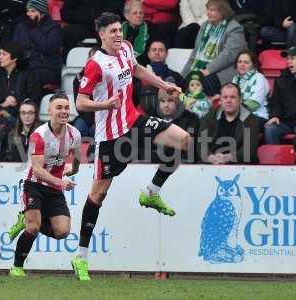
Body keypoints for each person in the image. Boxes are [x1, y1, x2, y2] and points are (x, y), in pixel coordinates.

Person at [70, 12, 190, 281]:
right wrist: (104, 105)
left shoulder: (125, 48)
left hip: (134, 121)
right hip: (111, 138)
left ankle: (152, 191)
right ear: (101, 34)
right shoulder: (95, 65)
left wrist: (163, 85)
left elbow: (136, 69)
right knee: (97, 195)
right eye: (112, 31)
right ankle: (81, 256)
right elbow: (80, 103)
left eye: (119, 30)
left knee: (182, 139)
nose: (118, 35)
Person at [9, 93, 82, 277]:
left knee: (62, 232)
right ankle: (17, 267)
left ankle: (27, 219)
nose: (64, 111)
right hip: (33, 184)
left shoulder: (75, 134)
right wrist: (61, 181)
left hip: (54, 187)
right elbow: (38, 169)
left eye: (66, 107)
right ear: (49, 111)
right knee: (33, 227)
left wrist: (73, 170)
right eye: (59, 107)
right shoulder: (39, 135)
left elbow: (77, 157)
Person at [181, 0, 246, 96]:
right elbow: (195, 54)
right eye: (207, 9)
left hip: (222, 72)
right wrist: (182, 76)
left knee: (199, 83)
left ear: (223, 12)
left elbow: (228, 55)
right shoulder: (205, 26)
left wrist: (208, 70)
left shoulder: (234, 28)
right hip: (200, 70)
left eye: (212, 10)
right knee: (178, 83)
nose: (208, 13)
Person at [197, 83, 259, 164]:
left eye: (232, 97)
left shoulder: (250, 119)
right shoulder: (210, 116)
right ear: (221, 100)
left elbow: (249, 150)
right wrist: (210, 157)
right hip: (213, 163)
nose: (228, 101)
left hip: (240, 164)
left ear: (240, 99)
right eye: (225, 97)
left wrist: (228, 157)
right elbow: (201, 144)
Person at [12, 0, 63, 93]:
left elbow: (47, 48)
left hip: (48, 68)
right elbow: (14, 47)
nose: (29, 14)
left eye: (33, 11)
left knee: (30, 76)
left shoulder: (54, 27)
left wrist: (33, 30)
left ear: (42, 13)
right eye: (28, 11)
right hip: (26, 65)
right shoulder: (22, 26)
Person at [265, 46, 296, 145]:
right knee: (270, 129)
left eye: (292, 58)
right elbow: (276, 101)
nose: (289, 61)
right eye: (287, 58)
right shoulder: (282, 79)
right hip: (285, 122)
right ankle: (273, 160)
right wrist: (275, 115)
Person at [0, 42, 40, 117]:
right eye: (0, 54)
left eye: (4, 54)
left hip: (20, 116)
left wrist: (17, 100)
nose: (0, 57)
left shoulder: (27, 74)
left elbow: (34, 97)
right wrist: (6, 101)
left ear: (14, 58)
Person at [231, 50, 269, 130]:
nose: (242, 64)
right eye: (240, 61)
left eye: (246, 62)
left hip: (257, 116)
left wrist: (234, 109)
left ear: (253, 65)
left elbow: (254, 104)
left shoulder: (259, 78)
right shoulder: (235, 79)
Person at [122, 0, 149, 65]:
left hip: (142, 62)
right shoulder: (120, 28)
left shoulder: (149, 29)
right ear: (127, 16)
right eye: (135, 13)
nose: (139, 15)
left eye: (141, 13)